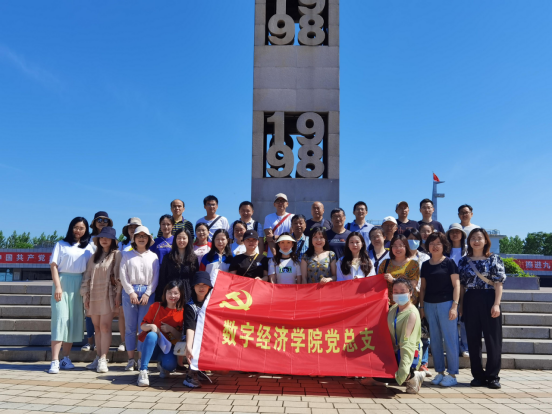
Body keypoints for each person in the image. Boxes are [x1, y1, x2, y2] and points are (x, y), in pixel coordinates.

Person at [458, 228, 506, 389]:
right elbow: (462, 286)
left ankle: (493, 377)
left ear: (486, 241)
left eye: (479, 238)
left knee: (493, 340)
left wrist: (496, 304)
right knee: (473, 340)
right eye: (473, 238)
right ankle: (477, 376)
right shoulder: (464, 261)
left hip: (489, 298)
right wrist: (461, 305)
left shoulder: (494, 259)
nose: (476, 241)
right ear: (469, 241)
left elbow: (499, 283)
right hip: (470, 299)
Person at [362, 278, 425, 394]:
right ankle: (381, 379)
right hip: (394, 352)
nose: (399, 294)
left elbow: (408, 345)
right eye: (396, 292)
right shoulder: (393, 309)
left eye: (402, 292)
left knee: (396, 375)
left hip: (408, 354)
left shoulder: (411, 314)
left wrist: (403, 372)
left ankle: (413, 376)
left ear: (410, 293)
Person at [48, 217, 94, 374]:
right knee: (60, 320)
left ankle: (65, 358)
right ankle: (54, 360)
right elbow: (54, 266)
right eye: (76, 227)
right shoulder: (61, 244)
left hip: (80, 283)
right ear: (71, 228)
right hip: (63, 282)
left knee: (72, 321)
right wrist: (58, 286)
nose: (78, 230)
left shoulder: (89, 247)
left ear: (86, 230)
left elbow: (92, 267)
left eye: (82, 228)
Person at [419, 232, 460, 387]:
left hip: (447, 304)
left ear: (444, 245)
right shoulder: (425, 265)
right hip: (429, 305)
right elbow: (423, 288)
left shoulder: (449, 263)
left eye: (438, 243)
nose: (434, 246)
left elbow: (456, 285)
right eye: (431, 243)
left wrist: (454, 306)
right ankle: (440, 372)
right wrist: (422, 307)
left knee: (450, 339)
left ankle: (452, 374)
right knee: (435, 340)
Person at [80, 227, 121, 373]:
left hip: (108, 294)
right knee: (97, 328)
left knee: (105, 327)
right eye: (102, 237)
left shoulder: (117, 255)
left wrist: (118, 295)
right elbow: (87, 276)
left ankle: (104, 358)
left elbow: (119, 277)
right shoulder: (94, 256)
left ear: (113, 240)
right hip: (94, 295)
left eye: (107, 238)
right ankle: (98, 357)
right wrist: (86, 295)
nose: (104, 240)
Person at [120, 225, 159, 371]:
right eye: (139, 236)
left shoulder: (153, 256)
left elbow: (156, 276)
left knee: (144, 327)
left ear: (148, 239)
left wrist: (148, 293)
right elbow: (123, 275)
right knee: (130, 327)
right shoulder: (127, 255)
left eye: (144, 236)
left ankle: (142, 360)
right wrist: (131, 292)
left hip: (148, 292)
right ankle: (131, 360)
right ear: (134, 239)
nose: (141, 238)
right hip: (130, 292)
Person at [137, 280, 185, 387]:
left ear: (181, 294)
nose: (172, 296)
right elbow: (142, 325)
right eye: (170, 292)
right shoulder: (155, 306)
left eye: (176, 293)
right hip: (152, 345)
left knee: (170, 365)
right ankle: (143, 371)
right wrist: (152, 326)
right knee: (152, 335)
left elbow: (181, 337)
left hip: (168, 348)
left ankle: (163, 365)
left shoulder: (182, 312)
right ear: (165, 293)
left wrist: (171, 329)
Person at [83, 211, 113, 351]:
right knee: (91, 318)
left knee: (104, 324)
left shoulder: (114, 248)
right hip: (90, 280)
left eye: (105, 220)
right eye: (99, 220)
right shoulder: (86, 239)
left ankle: (101, 350)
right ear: (94, 222)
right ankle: (90, 342)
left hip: (106, 286)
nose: (102, 222)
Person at [184, 271, 214, 388]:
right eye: (198, 285)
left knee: (224, 371)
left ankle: (201, 369)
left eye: (204, 285)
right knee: (197, 342)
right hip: (192, 337)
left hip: (208, 336)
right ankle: (190, 376)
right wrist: (189, 346)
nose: (201, 288)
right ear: (193, 286)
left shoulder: (213, 303)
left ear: (209, 287)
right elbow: (190, 328)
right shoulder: (189, 306)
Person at [446, 223, 469, 358]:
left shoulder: (467, 250)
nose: (455, 234)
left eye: (458, 232)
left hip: (465, 287)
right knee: (451, 319)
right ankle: (453, 346)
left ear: (462, 235)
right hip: (449, 288)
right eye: (452, 232)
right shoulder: (445, 250)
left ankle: (465, 346)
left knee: (464, 318)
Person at [156, 228, 198, 303]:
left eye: (184, 238)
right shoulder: (168, 257)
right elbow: (162, 278)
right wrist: (160, 296)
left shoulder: (193, 258)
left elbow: (195, 278)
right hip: (171, 293)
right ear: (175, 239)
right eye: (179, 238)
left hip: (187, 293)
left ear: (188, 240)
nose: (181, 240)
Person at [380, 234, 420, 304]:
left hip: (407, 304)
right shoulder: (385, 263)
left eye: (401, 246)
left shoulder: (413, 264)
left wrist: (393, 280)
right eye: (394, 246)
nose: (398, 248)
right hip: (389, 303)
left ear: (406, 247)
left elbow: (413, 284)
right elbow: (379, 282)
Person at [264, 193, 294, 258]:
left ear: (287, 204)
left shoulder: (293, 217)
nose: (280, 203)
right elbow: (269, 238)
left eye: (283, 201)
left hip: (289, 254)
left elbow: (292, 237)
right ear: (274, 204)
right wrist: (275, 255)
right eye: (278, 201)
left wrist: (274, 237)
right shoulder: (268, 217)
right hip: (272, 255)